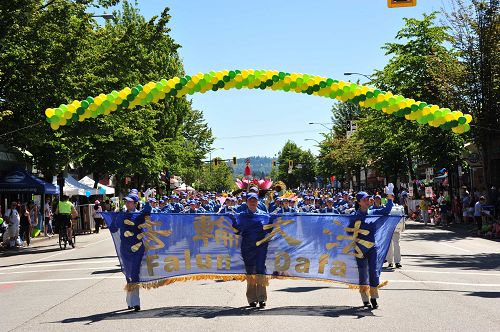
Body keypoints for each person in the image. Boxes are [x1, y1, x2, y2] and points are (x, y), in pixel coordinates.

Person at [351, 184, 395, 309]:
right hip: (359, 249)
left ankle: (374, 297)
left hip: (372, 248)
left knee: (374, 272)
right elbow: (348, 231)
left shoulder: (374, 212)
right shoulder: (354, 216)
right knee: (363, 274)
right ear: (359, 202)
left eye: (368, 198)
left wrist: (389, 197)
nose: (368, 200)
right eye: (365, 199)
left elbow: (387, 210)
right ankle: (365, 299)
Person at [233, 192, 271, 308]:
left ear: (258, 201)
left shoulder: (265, 216)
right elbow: (237, 230)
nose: (253, 202)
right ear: (246, 202)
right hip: (247, 247)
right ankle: (252, 299)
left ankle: (262, 298)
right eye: (250, 200)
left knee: (260, 270)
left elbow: (270, 229)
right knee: (250, 272)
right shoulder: (241, 216)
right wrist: (231, 218)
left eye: (255, 199)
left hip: (261, 247)